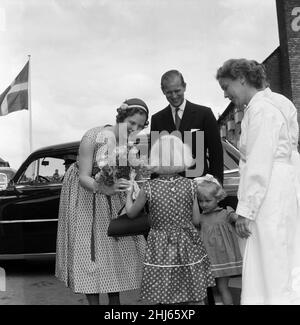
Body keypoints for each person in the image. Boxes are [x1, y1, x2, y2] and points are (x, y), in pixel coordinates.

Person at [216, 58, 300, 305]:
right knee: (284, 256)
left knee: (268, 258)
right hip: (283, 188)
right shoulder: (281, 103)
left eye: (225, 86)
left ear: (241, 78)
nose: (225, 94)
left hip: (267, 193)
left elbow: (258, 163)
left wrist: (246, 211)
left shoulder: (260, 110)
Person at [55, 98, 148, 305]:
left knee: (112, 251)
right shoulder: (92, 137)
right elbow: (84, 177)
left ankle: (115, 305)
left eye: (140, 127)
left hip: (112, 196)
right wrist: (105, 187)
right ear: (121, 116)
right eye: (131, 123)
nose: (134, 129)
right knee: (90, 253)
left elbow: (127, 174)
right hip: (85, 195)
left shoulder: (128, 145)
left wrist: (130, 184)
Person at [125, 134, 215, 305]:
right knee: (191, 290)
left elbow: (131, 213)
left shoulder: (149, 187)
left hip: (160, 244)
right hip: (188, 242)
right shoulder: (191, 185)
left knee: (165, 291)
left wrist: (129, 192)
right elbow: (196, 220)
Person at [151, 69, 223, 183]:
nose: (174, 96)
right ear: (163, 91)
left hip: (199, 188)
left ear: (184, 87)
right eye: (169, 92)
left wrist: (216, 186)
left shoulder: (205, 114)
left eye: (177, 91)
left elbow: (216, 154)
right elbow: (155, 158)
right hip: (168, 191)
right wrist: (154, 191)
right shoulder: (157, 119)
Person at [193, 174, 243, 305]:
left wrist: (240, 217)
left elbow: (238, 219)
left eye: (207, 200)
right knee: (211, 290)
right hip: (208, 261)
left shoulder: (226, 213)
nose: (203, 204)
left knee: (222, 288)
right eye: (200, 201)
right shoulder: (200, 219)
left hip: (223, 260)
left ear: (218, 198)